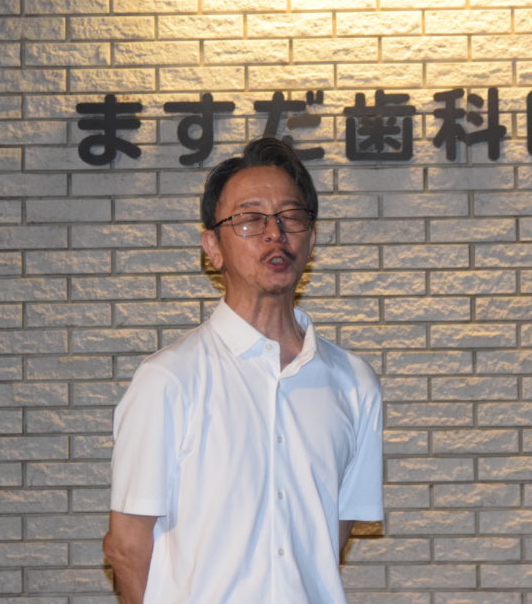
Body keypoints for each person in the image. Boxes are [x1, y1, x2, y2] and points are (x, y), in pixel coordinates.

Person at [103, 137, 383, 603]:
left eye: (290, 216)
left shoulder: (354, 383)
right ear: (212, 247)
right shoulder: (170, 379)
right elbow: (127, 547)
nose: (275, 233)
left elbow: (329, 537)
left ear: (311, 241)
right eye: (250, 219)